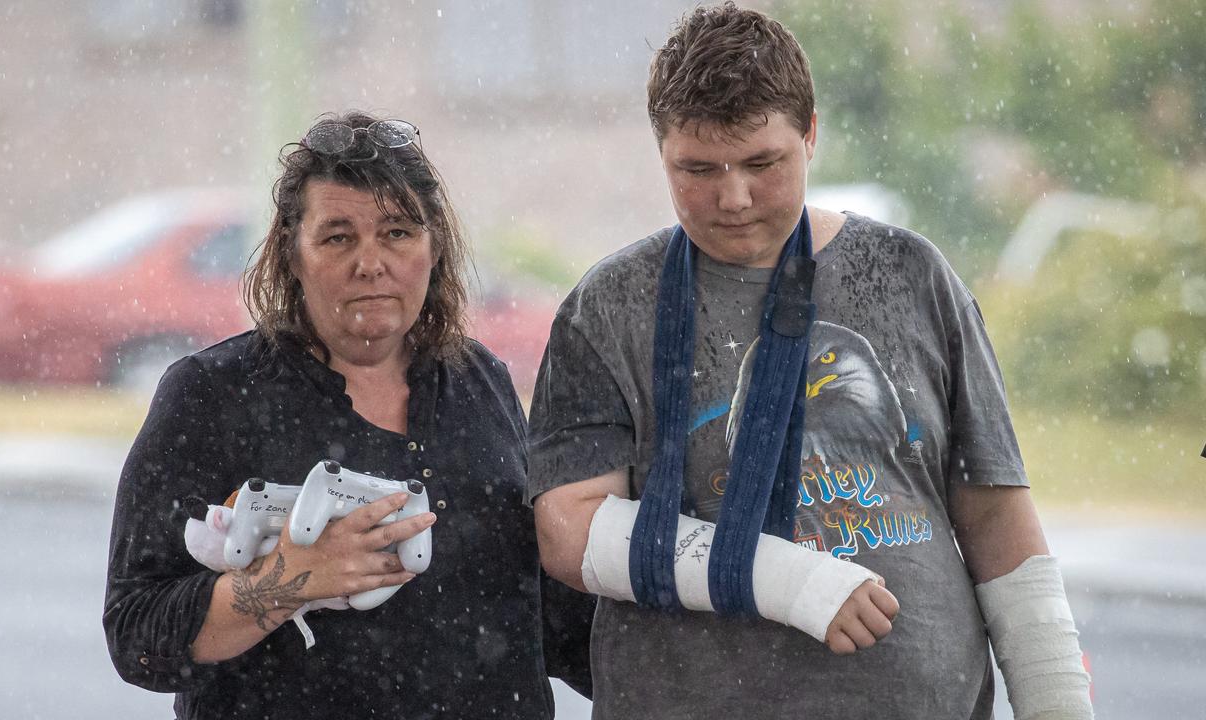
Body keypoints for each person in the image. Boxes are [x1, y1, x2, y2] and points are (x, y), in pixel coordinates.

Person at [529, 4, 1093, 719]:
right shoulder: (607, 306)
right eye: (698, 169)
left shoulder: (913, 275)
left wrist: (1059, 707)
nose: (733, 198)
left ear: (812, 134)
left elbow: (997, 520)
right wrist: (792, 582)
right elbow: (568, 530)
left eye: (763, 163)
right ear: (660, 150)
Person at [104, 110, 561, 719]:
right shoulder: (211, 395)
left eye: (398, 232)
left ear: (435, 248)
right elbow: (137, 636)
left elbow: (539, 603)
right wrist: (290, 578)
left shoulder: (482, 381)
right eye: (338, 236)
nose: (370, 263)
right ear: (292, 255)